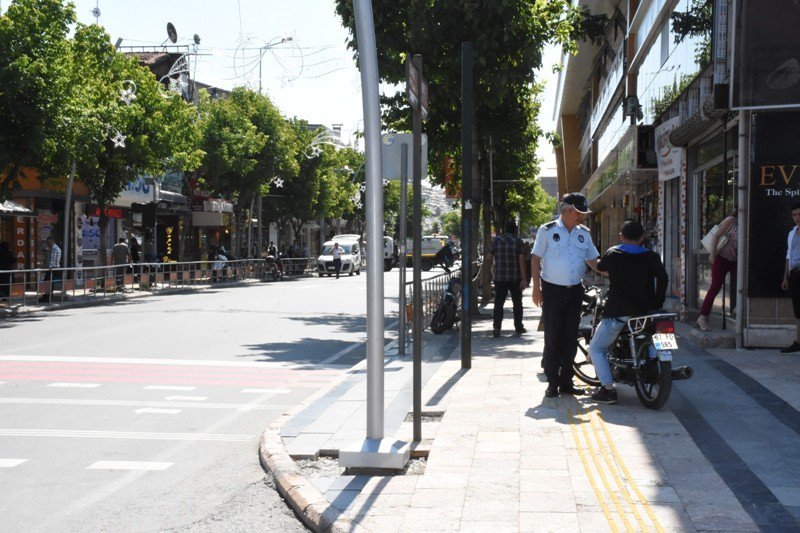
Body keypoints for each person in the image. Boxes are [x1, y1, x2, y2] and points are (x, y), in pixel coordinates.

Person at [588, 220, 668, 404]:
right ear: (642, 238)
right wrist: (657, 301)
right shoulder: (651, 256)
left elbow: (600, 267)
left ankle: (607, 390)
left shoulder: (614, 253)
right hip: (646, 312)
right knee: (651, 336)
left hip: (619, 311)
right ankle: (652, 361)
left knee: (597, 348)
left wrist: (587, 257)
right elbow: (663, 277)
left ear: (621, 237)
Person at [531, 193, 600, 398]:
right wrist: (537, 288)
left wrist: (614, 270)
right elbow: (535, 259)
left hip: (575, 292)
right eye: (579, 213)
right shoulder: (547, 230)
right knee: (553, 336)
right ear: (568, 210)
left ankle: (567, 382)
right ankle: (552, 382)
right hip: (552, 291)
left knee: (570, 338)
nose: (582, 217)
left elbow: (594, 261)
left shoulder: (584, 233)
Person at [697, 209, 738, 331]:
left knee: (743, 284)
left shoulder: (746, 222)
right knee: (715, 287)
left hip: (735, 259)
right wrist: (712, 254)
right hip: (721, 257)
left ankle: (738, 310)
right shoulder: (731, 220)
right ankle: (703, 317)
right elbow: (716, 236)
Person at [486, 220, 528, 338]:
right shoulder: (517, 241)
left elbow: (489, 258)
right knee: (517, 303)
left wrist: (489, 272)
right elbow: (521, 260)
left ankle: (496, 327)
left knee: (498, 303)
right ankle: (518, 327)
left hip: (500, 277)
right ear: (515, 229)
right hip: (515, 278)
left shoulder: (496, 240)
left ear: (504, 229)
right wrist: (524, 279)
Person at [781, 202, 800, 353]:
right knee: (798, 310)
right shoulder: (792, 233)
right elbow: (789, 256)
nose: (797, 218)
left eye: (799, 214)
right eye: (794, 215)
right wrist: (785, 277)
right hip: (794, 274)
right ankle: (797, 342)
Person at [38, 236, 62, 303]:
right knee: (49, 283)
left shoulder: (54, 248)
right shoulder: (55, 248)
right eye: (47, 242)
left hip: (52, 268)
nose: (48, 243)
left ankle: (47, 298)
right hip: (54, 268)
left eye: (49, 242)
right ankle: (47, 297)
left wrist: (49, 268)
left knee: (48, 283)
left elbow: (53, 259)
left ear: (53, 241)